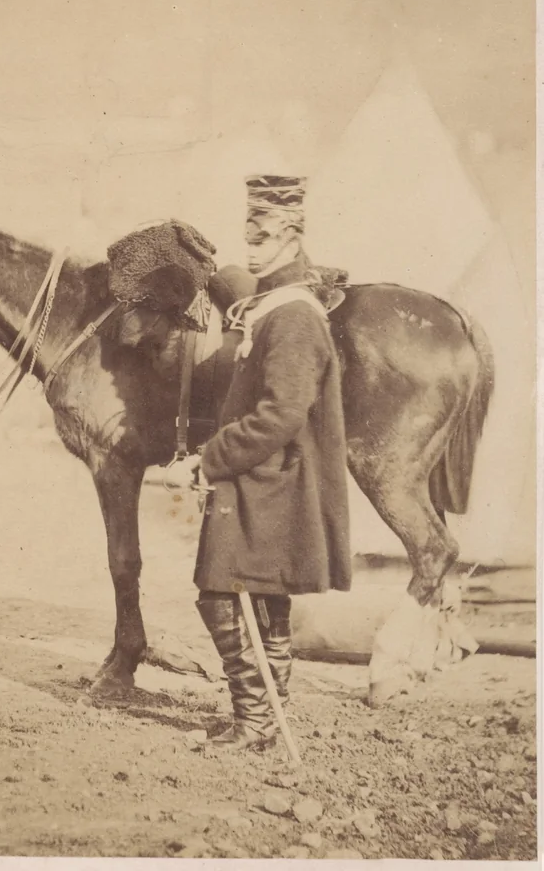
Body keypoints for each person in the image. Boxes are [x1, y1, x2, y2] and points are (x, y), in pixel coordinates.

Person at [181, 175, 351, 750]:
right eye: (248, 234)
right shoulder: (272, 304)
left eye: (266, 235)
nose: (252, 246)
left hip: (270, 477)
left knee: (220, 592)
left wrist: (213, 459)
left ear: (293, 235)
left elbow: (281, 414)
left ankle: (255, 720)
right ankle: (266, 718)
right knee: (262, 595)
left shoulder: (294, 315)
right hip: (266, 473)